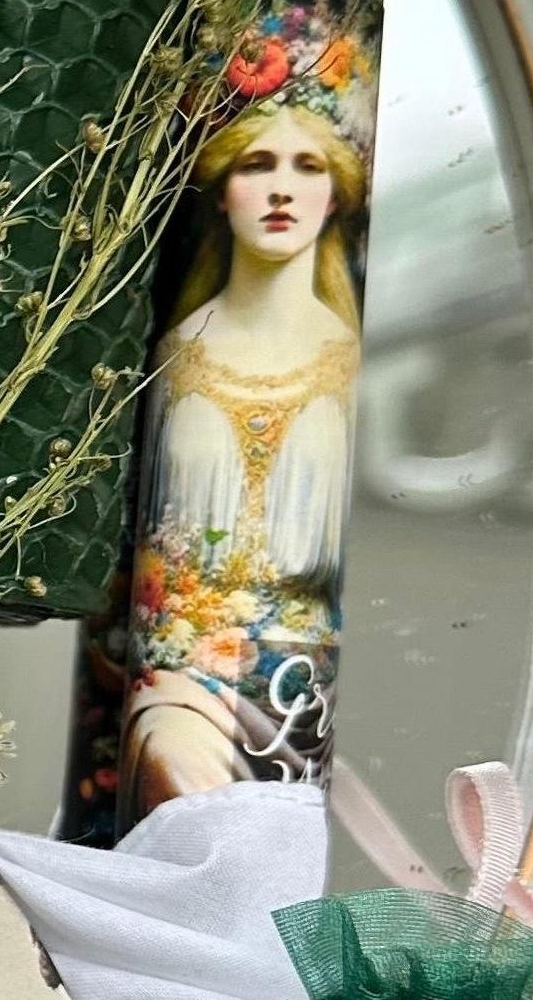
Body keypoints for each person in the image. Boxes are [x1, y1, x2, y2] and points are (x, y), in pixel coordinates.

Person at [123, 87, 368, 811]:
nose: (281, 188)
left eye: (307, 167)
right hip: (183, 669)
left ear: (334, 196)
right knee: (172, 761)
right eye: (258, 165)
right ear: (223, 190)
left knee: (275, 827)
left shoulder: (351, 360)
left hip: (303, 684)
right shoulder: (180, 353)